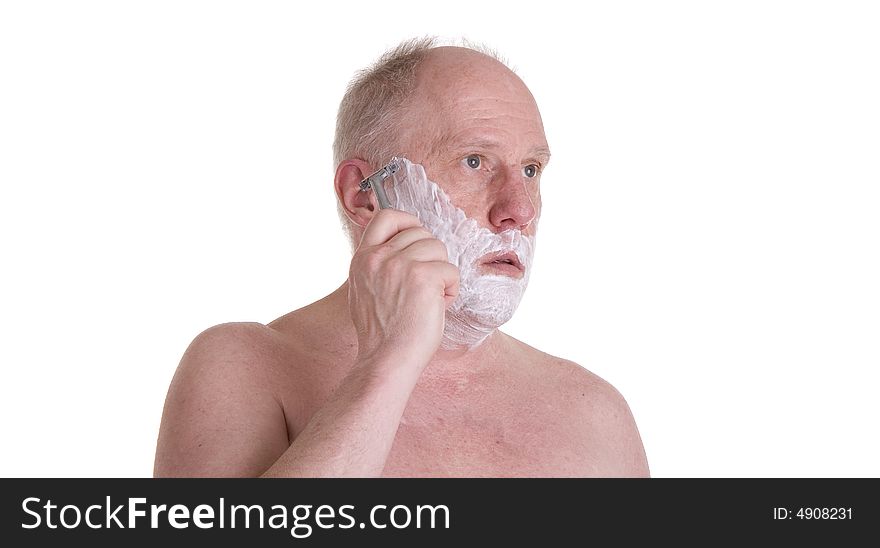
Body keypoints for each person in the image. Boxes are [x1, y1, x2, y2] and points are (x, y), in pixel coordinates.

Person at [153, 38, 650, 477]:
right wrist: (388, 363)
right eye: (474, 161)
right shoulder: (245, 368)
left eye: (530, 169)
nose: (518, 210)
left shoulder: (596, 413)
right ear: (365, 195)